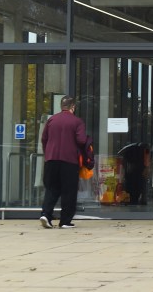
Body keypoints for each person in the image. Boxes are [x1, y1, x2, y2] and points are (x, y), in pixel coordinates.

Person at [40, 95, 88, 228]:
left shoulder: (52, 120)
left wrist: (48, 153)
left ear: (61, 107)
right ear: (73, 107)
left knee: (51, 188)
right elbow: (81, 140)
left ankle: (46, 215)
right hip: (69, 160)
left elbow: (44, 139)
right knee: (69, 190)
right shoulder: (77, 122)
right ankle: (65, 221)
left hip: (51, 159)